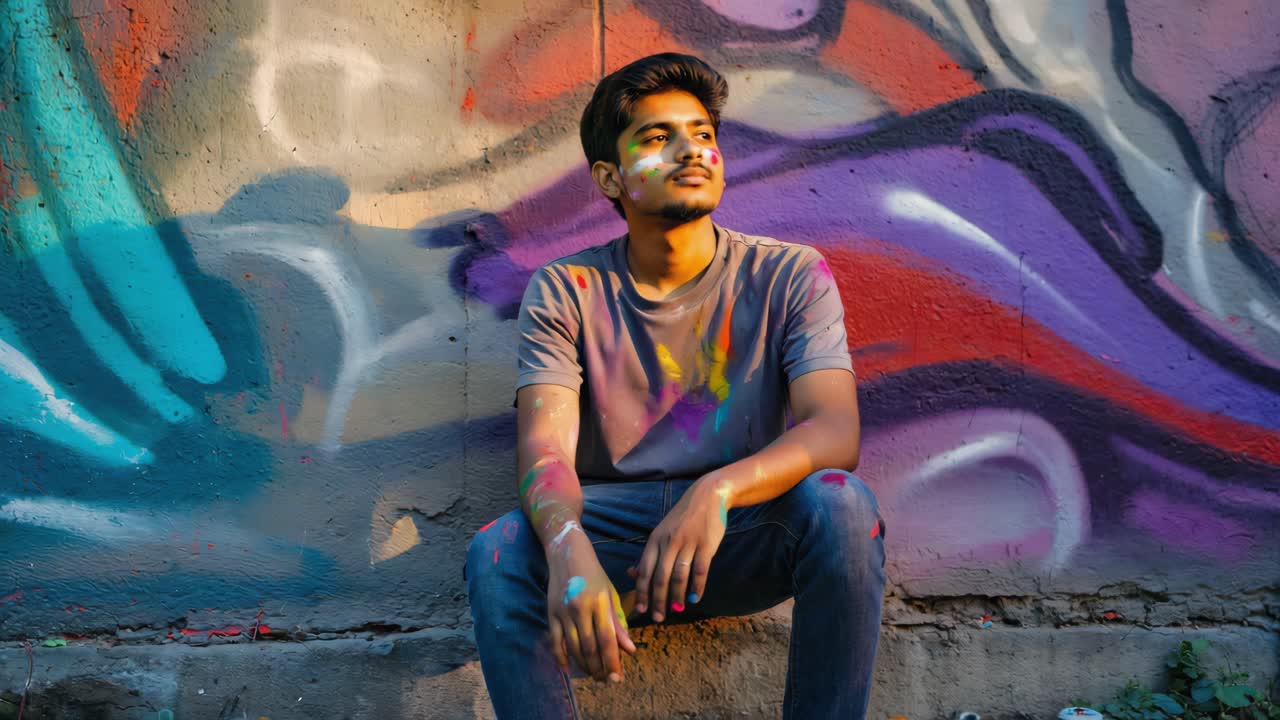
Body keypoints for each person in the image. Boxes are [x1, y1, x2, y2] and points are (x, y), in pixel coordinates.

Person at [466, 52, 886, 720]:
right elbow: (545, 451)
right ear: (609, 176)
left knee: (843, 507)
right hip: (617, 542)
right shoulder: (567, 290)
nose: (692, 150)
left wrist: (716, 490)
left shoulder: (791, 275)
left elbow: (834, 431)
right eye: (659, 138)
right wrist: (569, 545)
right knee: (497, 550)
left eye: (703, 134)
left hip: (739, 531)